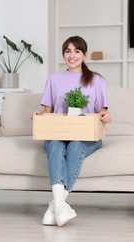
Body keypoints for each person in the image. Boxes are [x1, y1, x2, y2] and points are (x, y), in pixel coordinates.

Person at [33, 36, 111, 227]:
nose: (72, 55)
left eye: (77, 51)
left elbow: (102, 110)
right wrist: (38, 116)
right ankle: (60, 205)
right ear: (63, 55)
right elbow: (48, 112)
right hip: (58, 133)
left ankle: (56, 205)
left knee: (76, 145)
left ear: (85, 54)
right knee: (56, 146)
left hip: (86, 136)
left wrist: (105, 116)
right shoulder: (54, 79)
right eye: (68, 51)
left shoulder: (96, 80)